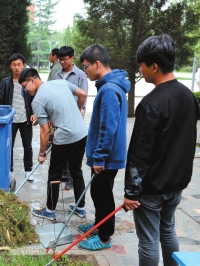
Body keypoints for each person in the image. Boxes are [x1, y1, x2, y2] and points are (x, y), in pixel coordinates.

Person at [124, 34, 199, 266]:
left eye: (142, 65)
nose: (140, 69)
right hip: (176, 183)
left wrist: (131, 192)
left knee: (148, 239)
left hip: (151, 188)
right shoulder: (188, 97)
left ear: (154, 66)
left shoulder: (150, 104)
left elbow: (139, 154)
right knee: (167, 231)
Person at [77, 44, 130, 251]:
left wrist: (99, 157)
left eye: (86, 66)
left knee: (103, 195)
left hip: (106, 158)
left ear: (97, 64)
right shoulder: (109, 86)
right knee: (98, 193)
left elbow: (107, 127)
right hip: (106, 156)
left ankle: (105, 237)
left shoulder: (108, 89)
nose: (85, 71)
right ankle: (99, 225)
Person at [18, 68, 87, 221]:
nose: (25, 90)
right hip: (82, 133)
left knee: (54, 174)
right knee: (76, 169)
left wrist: (42, 153)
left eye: (24, 87)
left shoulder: (37, 100)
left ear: (31, 81)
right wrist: (78, 110)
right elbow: (83, 94)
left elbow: (45, 131)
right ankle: (80, 208)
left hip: (65, 137)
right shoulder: (61, 82)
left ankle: (49, 210)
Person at [54, 46, 89, 197]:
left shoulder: (80, 75)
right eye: (60, 60)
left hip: (75, 121)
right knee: (62, 152)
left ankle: (71, 179)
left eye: (65, 59)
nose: (62, 62)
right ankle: (64, 175)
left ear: (72, 58)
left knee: (75, 157)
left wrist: (78, 110)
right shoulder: (57, 75)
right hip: (61, 120)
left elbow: (84, 95)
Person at [0, 54, 36, 181]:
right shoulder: (6, 82)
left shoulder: (29, 82)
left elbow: (35, 98)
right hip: (10, 120)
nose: (17, 68)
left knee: (27, 146)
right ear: (10, 66)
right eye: (14, 65)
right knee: (8, 146)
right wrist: (0, 113)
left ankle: (28, 170)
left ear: (24, 65)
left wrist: (34, 113)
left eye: (19, 64)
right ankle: (9, 170)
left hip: (25, 120)